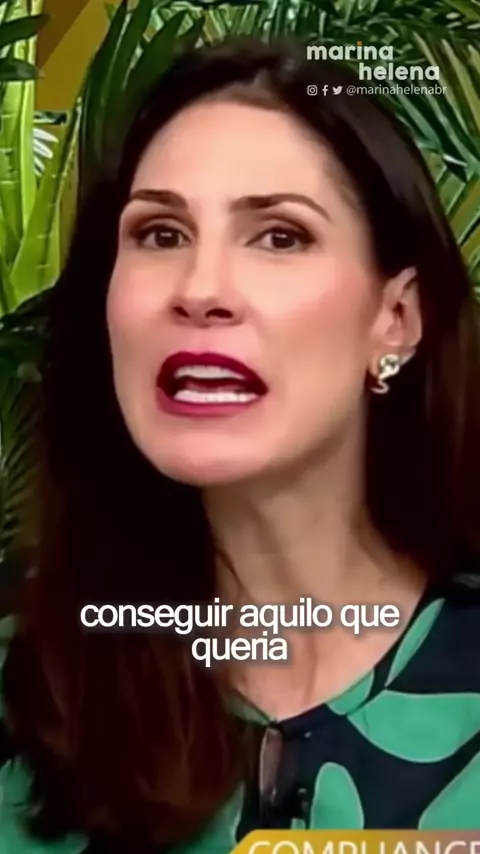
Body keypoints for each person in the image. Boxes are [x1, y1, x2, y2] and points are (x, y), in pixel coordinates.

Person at [1, 33, 480, 854]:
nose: (200, 290)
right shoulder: (22, 698)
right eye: (160, 234)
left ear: (395, 318)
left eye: (280, 236)